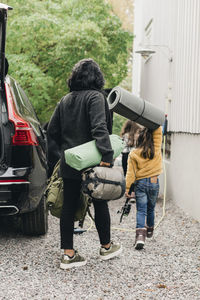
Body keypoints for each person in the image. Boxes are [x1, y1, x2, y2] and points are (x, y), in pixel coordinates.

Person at [47, 58, 122, 269]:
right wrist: (107, 156)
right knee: (100, 202)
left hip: (70, 162)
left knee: (69, 205)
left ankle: (68, 255)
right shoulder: (96, 97)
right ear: (97, 77)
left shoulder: (65, 100)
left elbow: (51, 133)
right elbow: (100, 128)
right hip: (92, 162)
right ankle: (106, 247)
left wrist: (57, 159)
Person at [125, 126, 162, 250]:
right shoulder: (156, 148)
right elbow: (158, 131)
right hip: (154, 182)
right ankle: (150, 228)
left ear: (138, 140)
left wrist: (127, 188)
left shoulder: (134, 153)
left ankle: (140, 237)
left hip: (140, 184)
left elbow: (130, 173)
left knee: (141, 210)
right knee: (151, 208)